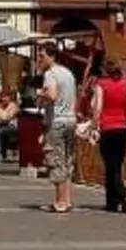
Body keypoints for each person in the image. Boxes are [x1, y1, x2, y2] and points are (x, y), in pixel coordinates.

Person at [36, 48, 78, 213]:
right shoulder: (68, 73)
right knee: (67, 160)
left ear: (52, 56)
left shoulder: (50, 74)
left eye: (42, 56)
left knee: (56, 160)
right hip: (70, 119)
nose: (40, 59)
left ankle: (60, 201)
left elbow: (52, 96)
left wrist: (40, 94)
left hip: (57, 121)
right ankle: (67, 200)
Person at [90, 60, 126, 214]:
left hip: (107, 127)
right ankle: (112, 201)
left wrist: (94, 125)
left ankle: (121, 195)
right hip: (122, 127)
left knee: (110, 166)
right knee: (117, 164)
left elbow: (98, 107)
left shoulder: (101, 84)